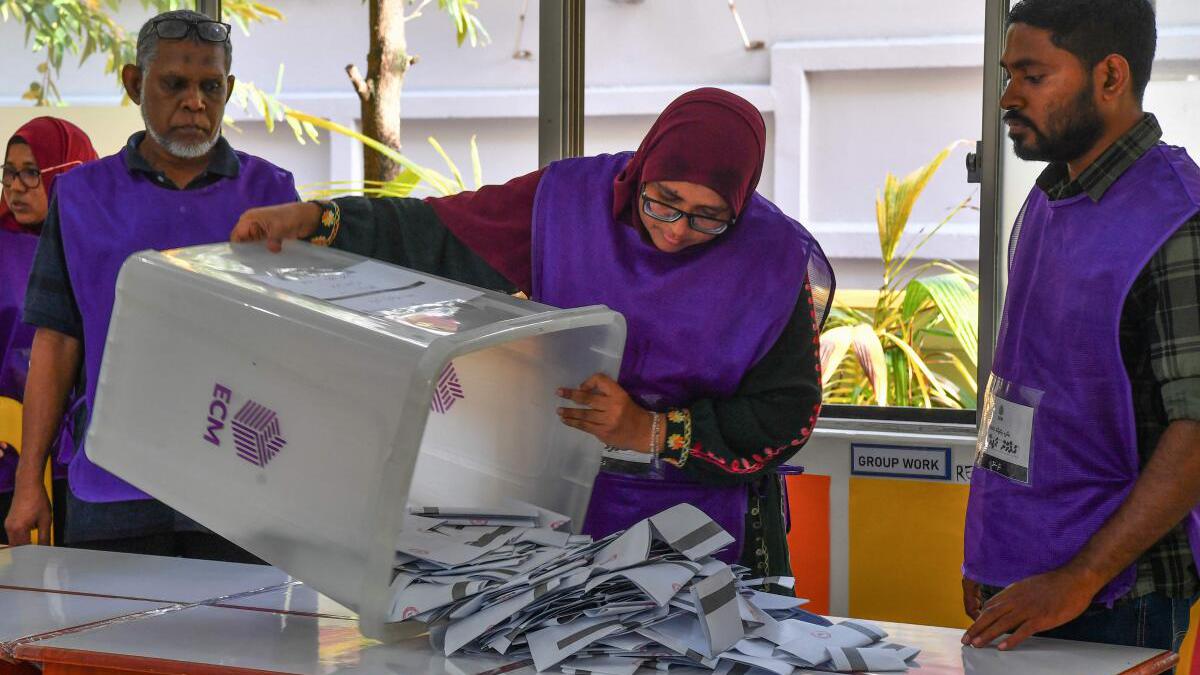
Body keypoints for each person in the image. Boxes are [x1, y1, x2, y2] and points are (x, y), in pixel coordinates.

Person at [231, 87, 834, 581]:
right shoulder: (568, 203)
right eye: (664, 202)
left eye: (708, 218)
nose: (676, 231)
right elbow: (445, 234)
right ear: (644, 168)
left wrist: (650, 430)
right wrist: (323, 220)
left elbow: (787, 412)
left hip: (710, 519)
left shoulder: (772, 260)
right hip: (562, 498)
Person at [4, 9, 297, 560]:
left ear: (228, 90)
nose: (195, 102)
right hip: (114, 490)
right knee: (111, 644)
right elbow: (56, 342)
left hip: (241, 492)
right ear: (135, 85)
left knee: (240, 646)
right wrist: (28, 484)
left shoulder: (274, 195)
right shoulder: (81, 196)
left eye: (211, 86)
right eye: (174, 84)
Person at [961, 0, 1200, 655]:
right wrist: (991, 543)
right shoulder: (1047, 199)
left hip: (1119, 593)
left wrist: (1077, 578)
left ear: (1111, 77)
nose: (1008, 96)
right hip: (1020, 570)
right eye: (1008, 73)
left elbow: (1197, 433)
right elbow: (1022, 389)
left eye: (1033, 77)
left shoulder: (1178, 221)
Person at [0, 117, 98, 544]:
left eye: (30, 172)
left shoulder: (97, 244)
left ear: (66, 172)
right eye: (9, 171)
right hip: (6, 454)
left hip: (82, 456)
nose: (16, 186)